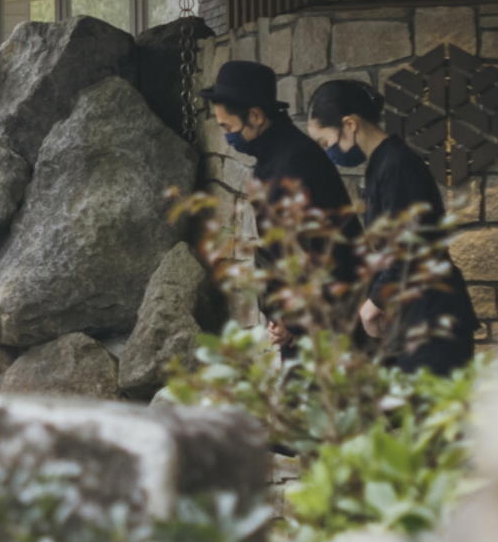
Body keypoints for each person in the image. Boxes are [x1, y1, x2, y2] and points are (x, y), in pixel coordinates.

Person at [306, 78, 479, 375]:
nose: (328, 152)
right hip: (417, 316)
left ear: (350, 124)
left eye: (326, 142)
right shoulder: (382, 164)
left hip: (434, 320)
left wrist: (374, 304)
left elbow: (409, 248)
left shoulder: (397, 166)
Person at [200, 60, 359, 346]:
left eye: (228, 126)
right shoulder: (279, 156)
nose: (227, 136)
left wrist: (295, 325)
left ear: (256, 116)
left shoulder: (292, 165)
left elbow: (314, 255)